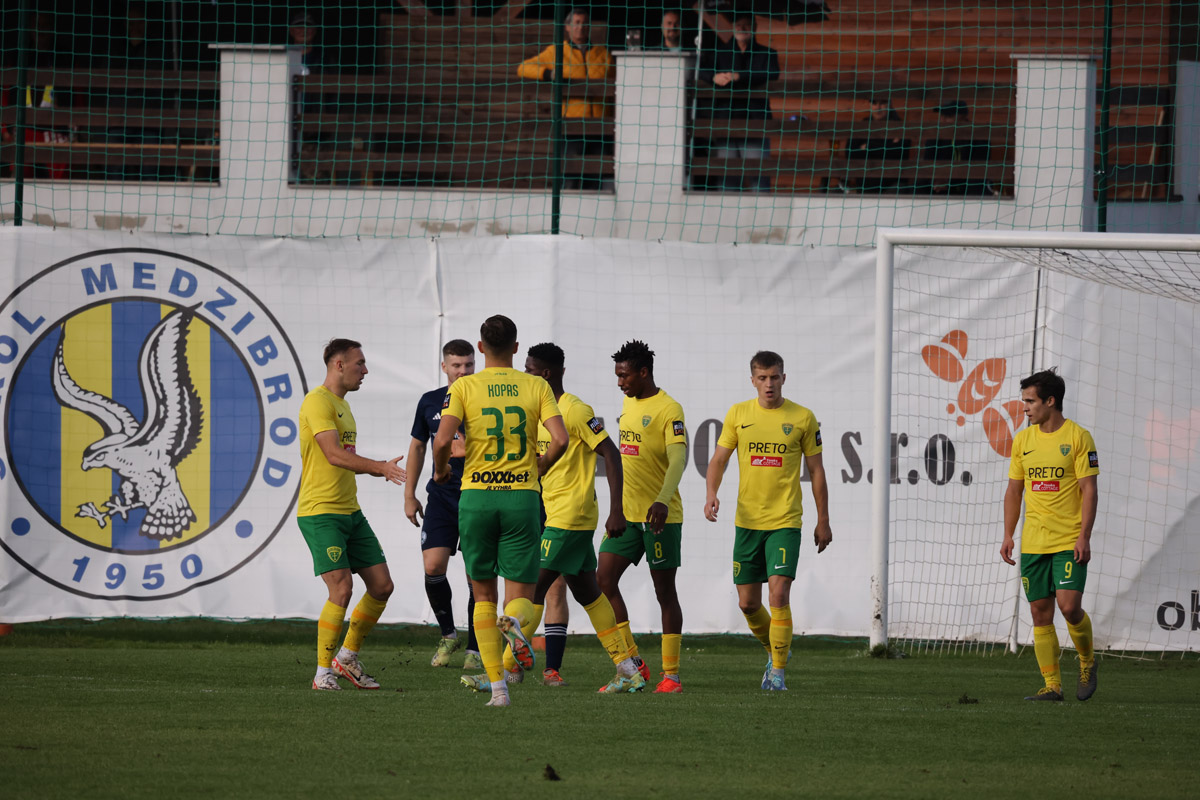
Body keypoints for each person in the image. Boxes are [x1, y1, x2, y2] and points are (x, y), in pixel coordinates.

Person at [433, 315, 568, 707]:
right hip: (521, 498)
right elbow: (560, 439)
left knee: (483, 595)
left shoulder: (464, 386)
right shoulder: (536, 385)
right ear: (515, 347)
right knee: (521, 595)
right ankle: (517, 626)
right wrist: (540, 466)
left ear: (480, 348)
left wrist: (441, 471)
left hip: (477, 497)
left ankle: (498, 691)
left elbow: (442, 441)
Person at [703, 351, 832, 691]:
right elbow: (718, 460)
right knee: (748, 603)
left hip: (785, 521)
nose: (769, 384)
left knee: (778, 594)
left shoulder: (803, 418)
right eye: (762, 378)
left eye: (774, 377)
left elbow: (817, 471)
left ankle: (777, 673)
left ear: (784, 378)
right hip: (747, 522)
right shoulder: (738, 414)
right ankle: (776, 650)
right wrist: (711, 493)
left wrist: (823, 520)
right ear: (753, 381)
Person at [522, 342, 645, 692]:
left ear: (545, 375)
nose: (525, 375)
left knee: (533, 586)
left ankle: (501, 669)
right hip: (557, 513)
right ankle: (627, 668)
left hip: (571, 515)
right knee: (589, 594)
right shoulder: (539, 413)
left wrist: (617, 510)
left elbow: (611, 453)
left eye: (530, 371)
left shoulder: (574, 410)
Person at [297, 339, 407, 691]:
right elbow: (332, 454)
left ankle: (346, 658)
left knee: (382, 586)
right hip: (321, 513)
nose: (365, 370)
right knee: (342, 588)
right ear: (339, 365)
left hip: (350, 511)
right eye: (360, 363)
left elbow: (343, 459)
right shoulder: (317, 401)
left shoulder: (343, 405)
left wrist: (376, 468)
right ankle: (322, 674)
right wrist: (379, 467)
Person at [1001, 369, 1100, 702]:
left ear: (1051, 401)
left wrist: (1084, 536)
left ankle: (1087, 661)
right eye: (1024, 401)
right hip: (1034, 543)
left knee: (1069, 607)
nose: (1025, 408)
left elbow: (1089, 490)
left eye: (1030, 401)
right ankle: (1052, 686)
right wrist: (1008, 534)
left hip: (1069, 540)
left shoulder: (1078, 437)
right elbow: (1014, 491)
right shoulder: (1023, 440)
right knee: (1039, 614)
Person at [598, 340, 687, 693]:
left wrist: (662, 500)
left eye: (625, 376)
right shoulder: (628, 402)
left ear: (644, 372)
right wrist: (616, 508)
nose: (620, 383)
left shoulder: (669, 408)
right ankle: (632, 663)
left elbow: (678, 459)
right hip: (628, 516)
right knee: (603, 579)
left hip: (660, 517)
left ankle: (671, 676)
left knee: (664, 592)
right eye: (617, 376)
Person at [405, 339, 482, 670]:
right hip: (441, 495)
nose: (463, 371)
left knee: (475, 575)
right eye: (457, 365)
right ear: (444, 367)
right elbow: (418, 447)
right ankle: (449, 634)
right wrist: (409, 494)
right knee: (433, 566)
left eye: (469, 364)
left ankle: (476, 648)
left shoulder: (484, 398)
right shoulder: (430, 401)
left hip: (478, 494)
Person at [516, 8, 614, 190]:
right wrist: (549, 74)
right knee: (570, 178)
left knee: (595, 179)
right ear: (567, 27)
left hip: (599, 127)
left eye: (584, 23)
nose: (581, 27)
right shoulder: (556, 51)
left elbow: (615, 87)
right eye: (576, 23)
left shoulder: (604, 54)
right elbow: (523, 68)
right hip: (572, 127)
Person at [696, 12, 780, 191]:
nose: (742, 28)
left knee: (758, 178)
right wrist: (714, 77)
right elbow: (701, 70)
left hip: (755, 124)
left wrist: (738, 76)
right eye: (738, 24)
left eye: (746, 24)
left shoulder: (767, 53)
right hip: (725, 123)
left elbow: (772, 73)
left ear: (754, 27)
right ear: (733, 27)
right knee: (727, 180)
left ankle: (762, 210)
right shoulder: (719, 52)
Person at [847, 97, 910, 194]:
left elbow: (897, 153)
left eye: (882, 103)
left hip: (892, 185)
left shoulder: (900, 126)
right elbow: (850, 153)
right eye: (874, 103)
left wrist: (867, 147)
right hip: (865, 186)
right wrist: (887, 146)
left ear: (890, 104)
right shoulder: (863, 124)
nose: (878, 108)